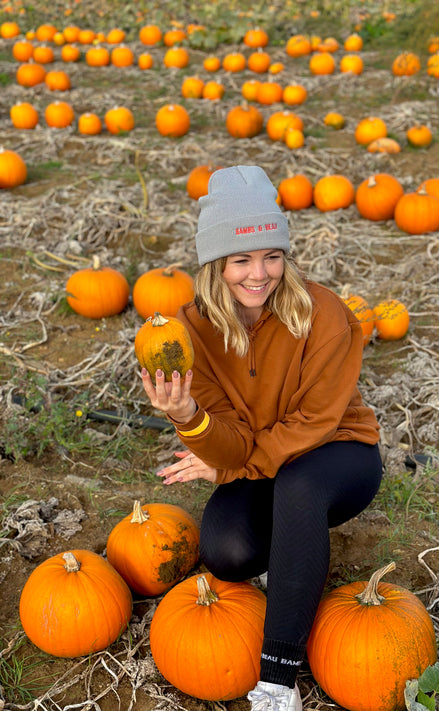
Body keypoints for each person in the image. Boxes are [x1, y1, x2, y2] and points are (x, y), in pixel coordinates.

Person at [141, 165, 382, 711]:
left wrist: (229, 468)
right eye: (241, 260)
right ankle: (300, 548)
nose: (259, 273)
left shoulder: (325, 316)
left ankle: (277, 677)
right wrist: (190, 418)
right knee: (226, 551)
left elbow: (314, 424)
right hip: (261, 456)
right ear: (215, 265)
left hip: (338, 453)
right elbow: (228, 439)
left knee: (299, 486)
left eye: (272, 255)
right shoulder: (191, 332)